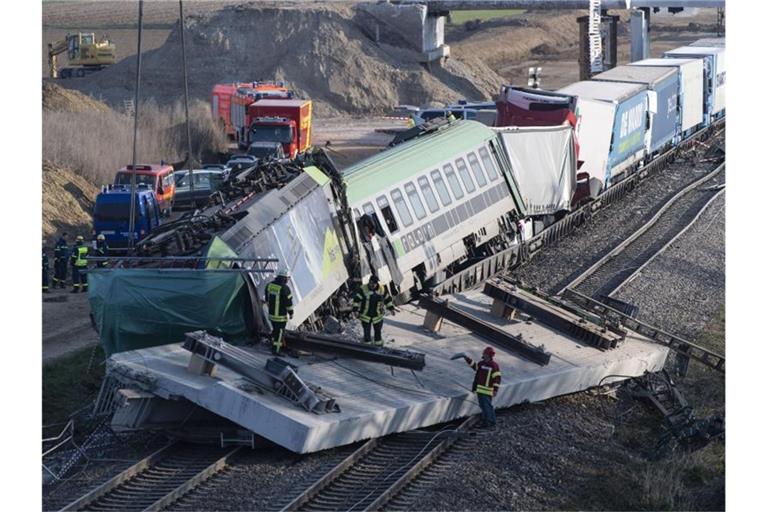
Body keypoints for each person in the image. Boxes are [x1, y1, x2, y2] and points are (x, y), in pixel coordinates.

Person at [464, 347, 502, 429]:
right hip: (480, 390)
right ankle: (489, 421)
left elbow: (497, 379)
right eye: (484, 353)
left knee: (486, 407)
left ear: (488, 355)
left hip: (487, 391)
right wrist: (466, 358)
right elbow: (475, 367)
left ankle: (489, 422)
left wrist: (495, 390)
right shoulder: (481, 364)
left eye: (485, 353)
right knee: (484, 406)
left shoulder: (494, 366)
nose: (483, 355)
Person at [353, 275, 395, 345]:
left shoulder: (381, 289)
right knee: (367, 334)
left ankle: (379, 347)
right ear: (369, 282)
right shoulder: (363, 289)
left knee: (378, 334)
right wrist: (355, 310)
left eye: (374, 283)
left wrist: (391, 309)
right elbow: (356, 300)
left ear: (377, 283)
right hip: (365, 316)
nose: (372, 285)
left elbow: (387, 299)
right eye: (371, 283)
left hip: (378, 317)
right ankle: (367, 348)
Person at [265, 268, 294, 355]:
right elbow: (288, 303)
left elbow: (267, 299)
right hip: (280, 317)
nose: (288, 280)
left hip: (271, 315)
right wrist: (291, 313)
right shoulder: (285, 289)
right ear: (285, 278)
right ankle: (276, 350)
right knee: (279, 334)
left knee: (275, 331)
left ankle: (276, 345)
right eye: (288, 278)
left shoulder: (269, 285)